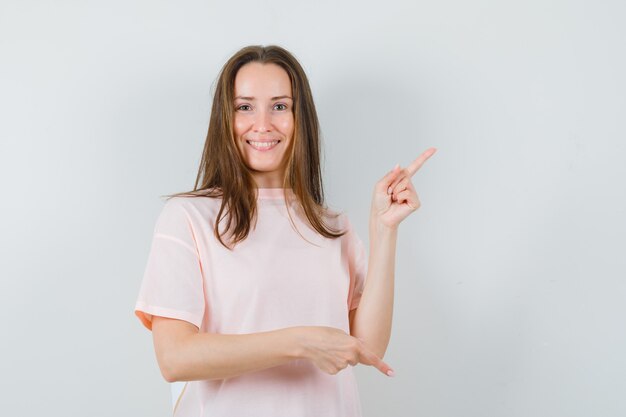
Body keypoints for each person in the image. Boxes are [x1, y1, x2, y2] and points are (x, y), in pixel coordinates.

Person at [134, 44, 437, 416]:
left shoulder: (331, 227)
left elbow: (367, 345)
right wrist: (299, 342)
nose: (262, 124)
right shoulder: (187, 218)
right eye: (245, 107)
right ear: (224, 119)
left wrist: (384, 230)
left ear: (299, 118)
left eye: (280, 106)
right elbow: (175, 358)